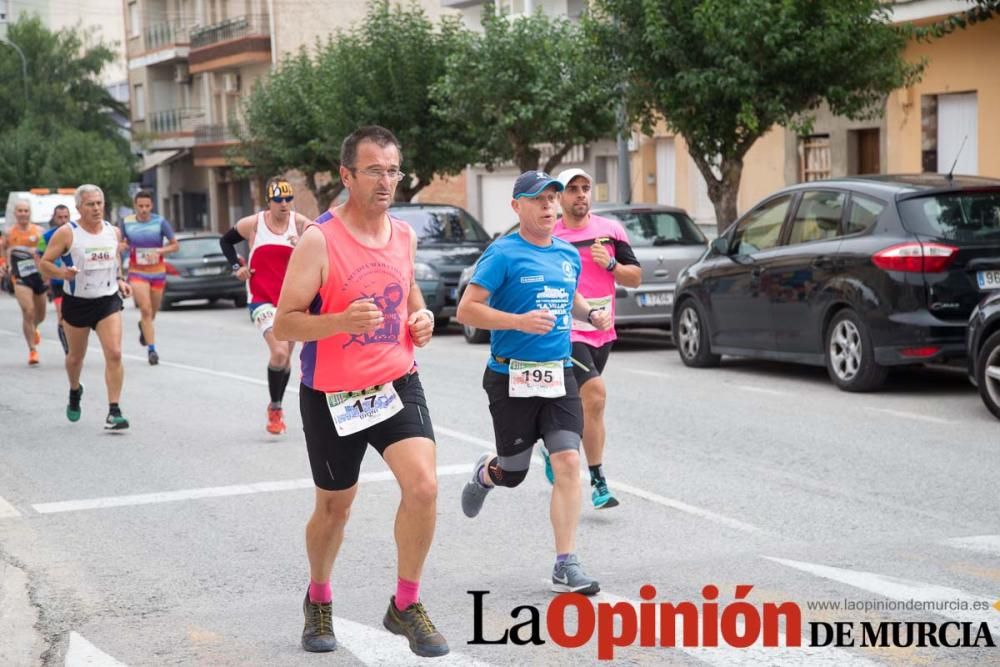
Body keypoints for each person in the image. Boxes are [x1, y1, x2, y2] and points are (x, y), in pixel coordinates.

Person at [273, 126, 448, 657]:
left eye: (393, 170)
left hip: (395, 382)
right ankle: (319, 597)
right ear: (347, 175)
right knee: (335, 508)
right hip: (332, 395)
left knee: (423, 487)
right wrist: (339, 322)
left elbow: (409, 287)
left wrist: (420, 316)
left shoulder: (403, 234)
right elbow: (285, 323)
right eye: (374, 170)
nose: (386, 180)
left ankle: (405, 604)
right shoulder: (319, 240)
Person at [457, 170, 612, 596]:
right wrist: (518, 322)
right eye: (538, 199)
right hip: (510, 376)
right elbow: (467, 311)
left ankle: (566, 563)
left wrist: (590, 314)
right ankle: (485, 475)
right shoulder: (502, 254)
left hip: (559, 374)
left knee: (567, 462)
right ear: (516, 207)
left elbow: (569, 296)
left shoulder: (567, 254)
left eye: (552, 198)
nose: (548, 206)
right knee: (514, 473)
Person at [546, 168, 642, 509]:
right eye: (573, 189)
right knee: (596, 395)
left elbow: (635, 277)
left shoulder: (610, 231)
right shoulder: (552, 236)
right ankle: (598, 480)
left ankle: (551, 444)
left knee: (584, 404)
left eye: (586, 188)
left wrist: (612, 264)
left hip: (603, 330)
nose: (581, 195)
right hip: (566, 330)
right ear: (560, 197)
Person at [220, 177, 310, 435]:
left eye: (288, 199)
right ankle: (276, 410)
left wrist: (302, 245)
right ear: (268, 202)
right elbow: (225, 241)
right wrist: (237, 267)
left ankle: (276, 407)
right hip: (261, 298)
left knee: (287, 359)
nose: (284, 204)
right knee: (279, 353)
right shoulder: (255, 224)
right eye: (278, 200)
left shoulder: (302, 224)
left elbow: (324, 247)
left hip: (291, 301)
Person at [39, 185, 132, 430]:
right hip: (77, 302)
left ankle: (114, 410)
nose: (96, 208)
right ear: (79, 207)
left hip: (107, 300)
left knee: (114, 353)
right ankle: (74, 390)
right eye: (90, 204)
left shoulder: (114, 232)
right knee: (75, 358)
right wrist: (62, 273)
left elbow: (114, 261)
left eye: (99, 203)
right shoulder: (67, 233)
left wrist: (121, 280)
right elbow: (45, 264)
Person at [120, 190, 178, 365]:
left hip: (158, 272)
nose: (144, 209)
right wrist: (122, 245)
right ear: (135, 206)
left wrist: (160, 250)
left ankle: (144, 327)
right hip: (137, 272)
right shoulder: (126, 222)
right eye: (140, 206)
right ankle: (152, 350)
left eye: (147, 206)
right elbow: (123, 241)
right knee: (145, 309)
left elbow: (175, 245)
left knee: (152, 311)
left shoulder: (159, 222)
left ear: (151, 206)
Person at [3, 198, 47, 365]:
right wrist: (5, 266)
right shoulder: (8, 232)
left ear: (30, 213)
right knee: (28, 311)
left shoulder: (39, 232)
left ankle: (35, 328)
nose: (23, 214)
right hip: (20, 276)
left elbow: (46, 252)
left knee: (40, 315)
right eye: (20, 211)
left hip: (38, 276)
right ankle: (32, 350)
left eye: (25, 211)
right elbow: (4, 251)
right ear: (15, 214)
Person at [39, 204, 73, 354]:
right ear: (54, 218)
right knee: (62, 316)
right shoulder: (47, 237)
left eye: (66, 217)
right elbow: (38, 255)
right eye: (60, 217)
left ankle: (74, 343)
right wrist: (45, 275)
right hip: (58, 282)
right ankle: (68, 349)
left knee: (74, 318)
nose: (63, 220)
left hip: (75, 282)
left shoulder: (76, 234)